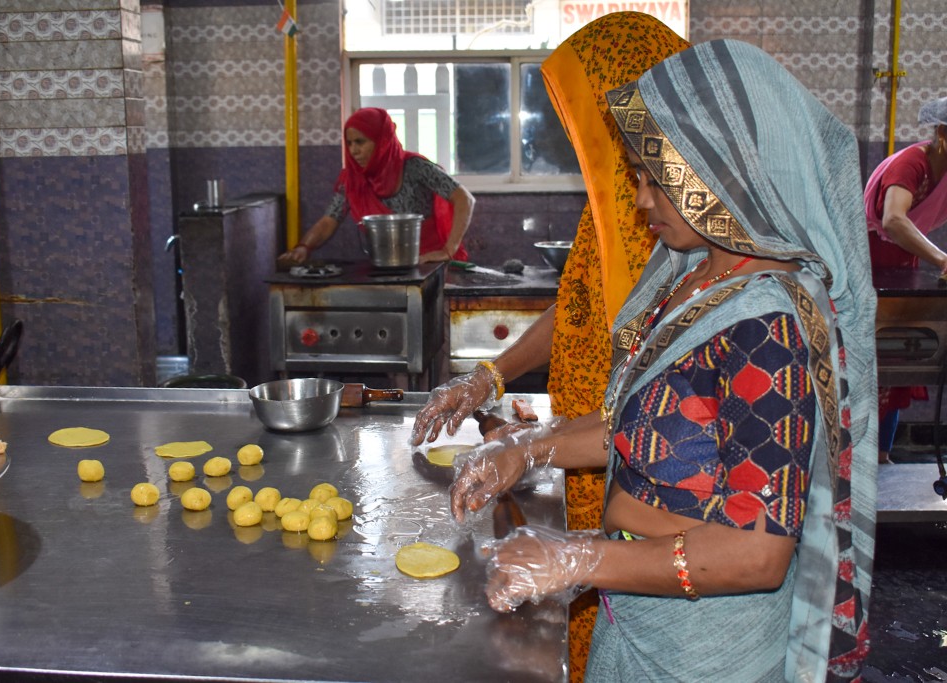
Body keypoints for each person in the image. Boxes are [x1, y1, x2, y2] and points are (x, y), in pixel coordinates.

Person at [447, 39, 877, 680]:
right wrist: (526, 449)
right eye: (639, 178)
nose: (642, 201)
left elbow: (754, 554)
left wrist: (578, 559)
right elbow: (639, 424)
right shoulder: (695, 277)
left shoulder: (770, 325)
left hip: (703, 653)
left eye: (658, 180)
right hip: (640, 620)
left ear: (723, 171)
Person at [409, 13, 689, 682]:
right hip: (592, 450)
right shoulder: (622, 203)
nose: (580, 134)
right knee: (593, 640)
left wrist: (535, 452)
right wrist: (489, 380)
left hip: (655, 490)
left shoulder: (682, 225)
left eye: (588, 112)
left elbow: (739, 544)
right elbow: (581, 309)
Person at [279, 107, 474, 265]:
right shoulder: (353, 180)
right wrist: (304, 247)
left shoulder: (414, 167)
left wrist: (448, 250)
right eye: (349, 143)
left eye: (360, 142)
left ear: (382, 141)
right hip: (386, 266)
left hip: (429, 264)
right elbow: (330, 220)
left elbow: (464, 199)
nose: (354, 150)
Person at [863, 95, 947, 463]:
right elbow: (894, 220)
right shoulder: (913, 162)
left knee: (900, 360)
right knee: (872, 361)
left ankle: (882, 456)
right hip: (869, 261)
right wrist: (943, 258)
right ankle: (860, 458)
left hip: (903, 265)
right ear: (943, 135)